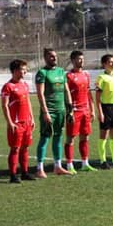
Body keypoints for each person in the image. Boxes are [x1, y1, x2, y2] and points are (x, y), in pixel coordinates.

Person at [34, 48, 70, 177]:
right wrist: (45, 112)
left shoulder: (61, 71)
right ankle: (39, 169)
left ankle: (58, 167)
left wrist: (70, 108)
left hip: (61, 110)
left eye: (55, 56)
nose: (54, 58)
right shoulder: (42, 73)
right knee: (45, 138)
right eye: (51, 56)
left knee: (58, 137)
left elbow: (66, 90)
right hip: (49, 111)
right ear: (45, 58)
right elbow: (40, 93)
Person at [2, 59, 35, 183]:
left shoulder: (24, 84)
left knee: (25, 147)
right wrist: (10, 122)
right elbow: (4, 105)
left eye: (25, 69)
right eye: (22, 69)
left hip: (26, 122)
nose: (25, 71)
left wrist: (31, 118)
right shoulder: (8, 86)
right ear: (15, 71)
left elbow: (28, 101)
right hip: (16, 123)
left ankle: (25, 172)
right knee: (15, 148)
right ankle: (13, 175)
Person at [65, 50, 96, 172]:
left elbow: (88, 93)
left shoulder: (86, 75)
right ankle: (69, 165)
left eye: (82, 59)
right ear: (73, 61)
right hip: (74, 111)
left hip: (85, 110)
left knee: (85, 137)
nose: (82, 61)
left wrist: (92, 110)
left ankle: (85, 163)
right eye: (79, 59)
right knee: (70, 138)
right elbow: (65, 95)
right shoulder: (68, 76)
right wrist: (69, 111)